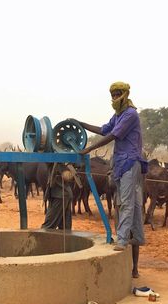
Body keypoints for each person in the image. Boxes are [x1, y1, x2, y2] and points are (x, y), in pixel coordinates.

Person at [78, 81, 147, 278]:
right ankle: (137, 236)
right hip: (119, 163)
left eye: (117, 94)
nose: (114, 98)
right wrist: (81, 124)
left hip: (130, 162)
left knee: (125, 202)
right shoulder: (118, 115)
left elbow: (113, 135)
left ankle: (123, 239)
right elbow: (104, 129)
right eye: (113, 95)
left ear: (125, 94)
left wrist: (89, 149)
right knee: (130, 202)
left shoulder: (130, 115)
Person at [41, 164, 74, 230]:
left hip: (59, 196)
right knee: (65, 227)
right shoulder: (63, 162)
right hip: (64, 194)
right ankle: (66, 239)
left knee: (48, 226)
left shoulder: (55, 161)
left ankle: (41, 240)